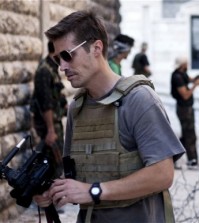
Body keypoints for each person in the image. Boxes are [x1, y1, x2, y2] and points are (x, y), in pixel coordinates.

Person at [34, 10, 185, 223]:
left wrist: (94, 191)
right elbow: (77, 176)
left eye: (68, 55)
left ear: (96, 48)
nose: (62, 67)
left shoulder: (139, 99)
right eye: (59, 59)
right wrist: (53, 192)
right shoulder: (77, 107)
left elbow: (163, 174)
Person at [30, 41, 68, 178]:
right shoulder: (44, 71)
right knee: (53, 165)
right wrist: (50, 130)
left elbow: (56, 96)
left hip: (54, 123)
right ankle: (49, 197)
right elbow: (45, 103)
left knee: (58, 163)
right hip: (48, 126)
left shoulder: (53, 68)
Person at [171, 57, 199, 168]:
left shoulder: (182, 73)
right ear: (182, 65)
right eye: (186, 63)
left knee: (186, 134)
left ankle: (174, 156)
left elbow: (190, 80)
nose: (188, 65)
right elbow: (185, 95)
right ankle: (192, 160)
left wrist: (195, 79)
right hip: (184, 109)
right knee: (190, 135)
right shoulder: (177, 77)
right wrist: (195, 86)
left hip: (187, 108)